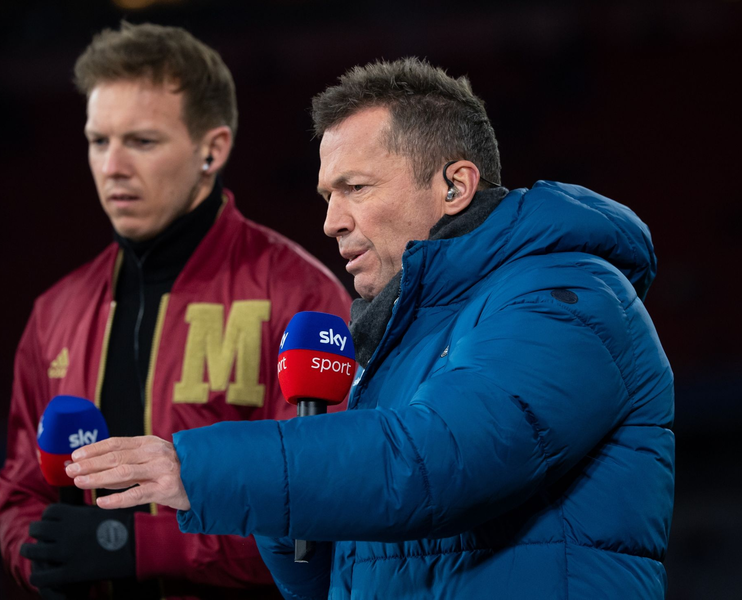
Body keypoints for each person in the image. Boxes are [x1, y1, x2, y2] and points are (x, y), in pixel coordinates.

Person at [66, 58, 675, 599]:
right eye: (327, 195)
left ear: (454, 186)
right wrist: (293, 497)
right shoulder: (397, 343)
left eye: (355, 188)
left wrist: (201, 468)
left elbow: (434, 464)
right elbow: (319, 578)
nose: (331, 222)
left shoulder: (568, 298)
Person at [0, 22, 351, 600]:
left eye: (142, 141)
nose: (112, 167)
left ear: (212, 149)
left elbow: (323, 514)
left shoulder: (301, 297)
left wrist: (137, 546)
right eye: (98, 140)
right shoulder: (53, 312)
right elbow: (19, 492)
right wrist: (37, 557)